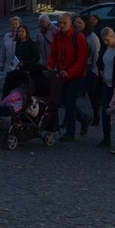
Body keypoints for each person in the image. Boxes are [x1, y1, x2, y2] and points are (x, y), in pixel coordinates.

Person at [47, 13, 90, 142]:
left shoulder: (79, 37)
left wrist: (69, 72)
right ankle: (84, 119)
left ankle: (71, 131)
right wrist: (50, 67)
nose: (61, 25)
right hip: (62, 74)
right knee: (64, 101)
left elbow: (81, 60)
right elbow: (53, 53)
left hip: (76, 75)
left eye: (64, 23)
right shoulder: (57, 36)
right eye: (60, 23)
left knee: (69, 101)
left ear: (70, 23)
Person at [74, 16, 101, 129]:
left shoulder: (92, 38)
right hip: (78, 69)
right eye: (76, 22)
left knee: (92, 94)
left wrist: (95, 71)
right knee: (72, 96)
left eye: (80, 23)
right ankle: (72, 118)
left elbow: (96, 54)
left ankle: (96, 115)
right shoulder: (76, 35)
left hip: (90, 70)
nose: (78, 25)